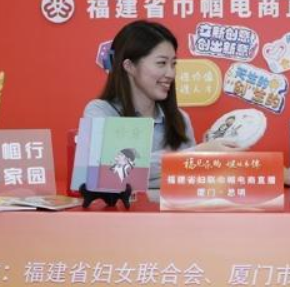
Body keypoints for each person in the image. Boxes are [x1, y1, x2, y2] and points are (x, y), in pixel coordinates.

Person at [84, 20, 240, 188]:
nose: (170, 73)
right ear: (129, 66)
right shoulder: (100, 111)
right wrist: (195, 154)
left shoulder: (180, 118)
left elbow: (189, 179)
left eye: (173, 64)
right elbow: (107, 173)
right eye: (161, 63)